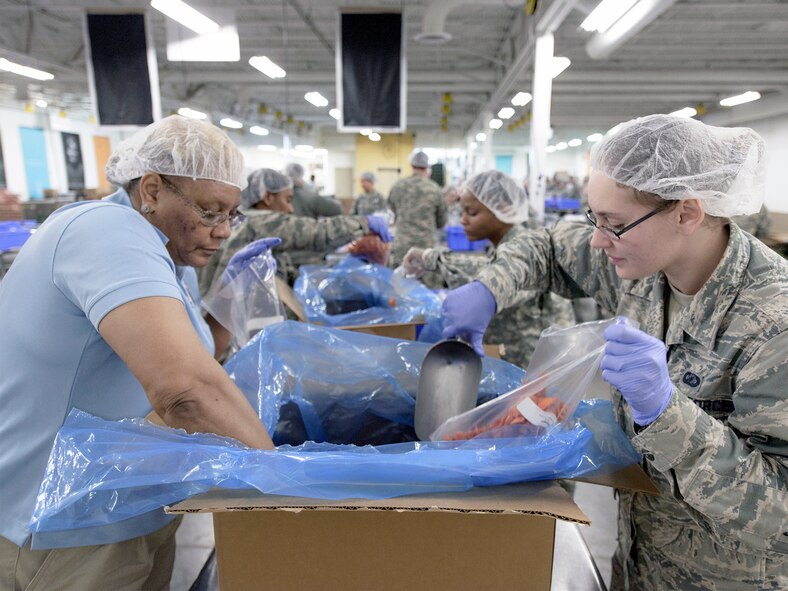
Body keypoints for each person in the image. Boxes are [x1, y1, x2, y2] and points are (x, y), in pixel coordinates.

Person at [439, 114, 787, 590]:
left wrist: (666, 415)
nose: (600, 241)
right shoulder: (645, 262)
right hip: (640, 560)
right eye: (594, 219)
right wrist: (491, 287)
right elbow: (547, 245)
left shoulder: (773, 324)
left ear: (688, 212)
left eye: (615, 224)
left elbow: (780, 511)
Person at [0, 115, 275, 590]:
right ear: (151, 190)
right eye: (210, 212)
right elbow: (183, 389)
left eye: (232, 214)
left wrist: (228, 303)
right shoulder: (105, 231)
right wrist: (286, 482)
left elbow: (198, 358)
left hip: (131, 506)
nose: (224, 231)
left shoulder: (171, 257)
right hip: (65, 525)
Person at [401, 170, 574, 368]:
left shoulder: (524, 247)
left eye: (472, 213)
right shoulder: (503, 244)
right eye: (462, 211)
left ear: (502, 209)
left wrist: (431, 258)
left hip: (535, 369)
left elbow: (497, 274)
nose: (463, 220)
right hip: (518, 361)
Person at [199, 167, 393, 295]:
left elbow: (288, 276)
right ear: (267, 198)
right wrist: (364, 222)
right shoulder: (258, 221)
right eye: (288, 200)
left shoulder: (252, 227)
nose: (291, 209)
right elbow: (317, 232)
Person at [388, 150, 447, 288]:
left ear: (412, 165)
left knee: (401, 290)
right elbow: (441, 221)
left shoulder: (398, 186)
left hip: (403, 246)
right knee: (429, 291)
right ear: (427, 168)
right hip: (426, 249)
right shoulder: (435, 189)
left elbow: (392, 212)